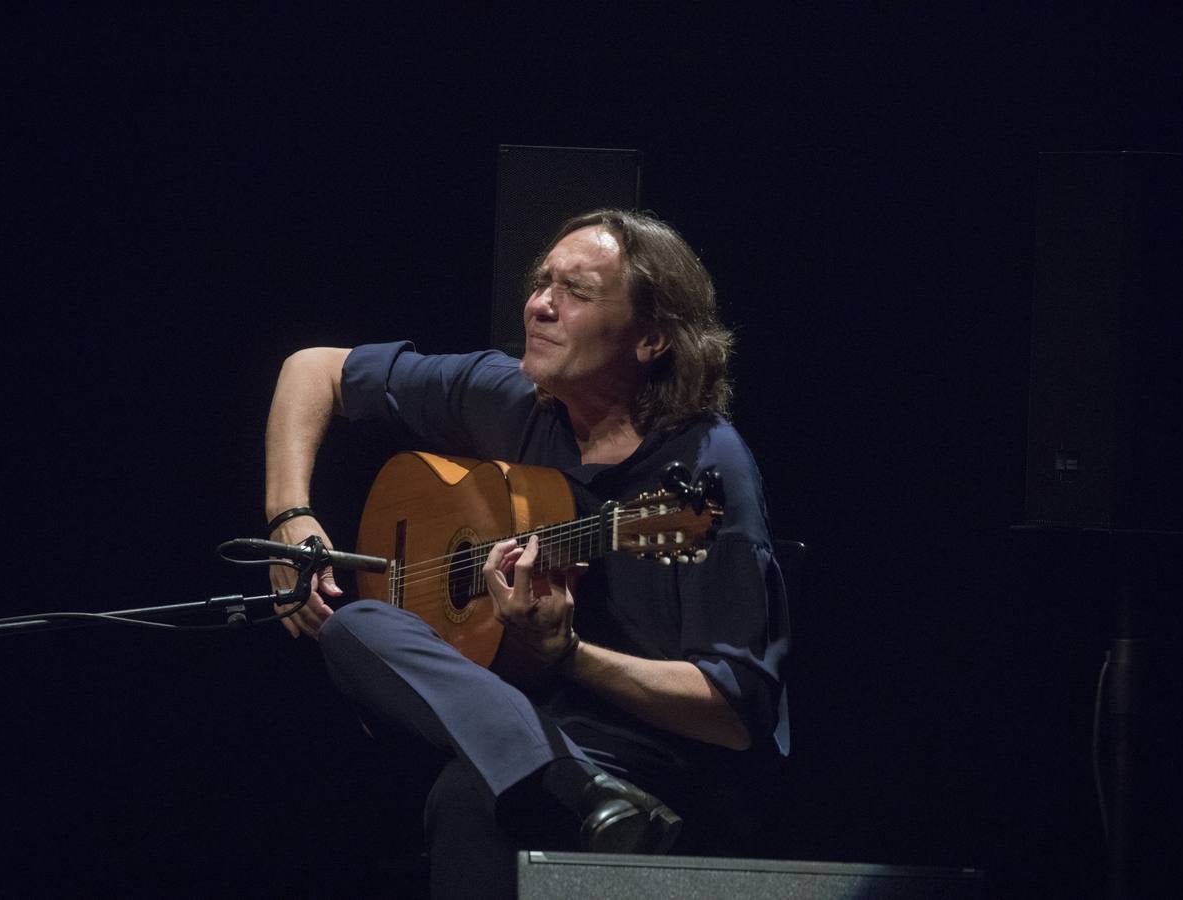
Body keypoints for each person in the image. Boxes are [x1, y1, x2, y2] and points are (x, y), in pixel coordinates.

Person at [262, 209, 789, 898]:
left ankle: (579, 784)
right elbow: (314, 370)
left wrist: (567, 653)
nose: (540, 304)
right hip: (529, 720)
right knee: (357, 626)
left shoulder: (706, 477)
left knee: (470, 798)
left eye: (576, 291)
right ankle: (573, 784)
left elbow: (733, 714)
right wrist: (289, 516)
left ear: (651, 338)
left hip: (654, 757)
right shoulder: (515, 396)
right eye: (543, 282)